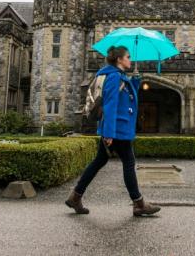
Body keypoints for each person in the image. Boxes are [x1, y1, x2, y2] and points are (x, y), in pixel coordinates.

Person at [65, 45, 161, 217]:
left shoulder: (118, 76)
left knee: (99, 161)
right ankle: (138, 203)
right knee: (129, 163)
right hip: (117, 128)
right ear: (119, 59)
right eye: (128, 57)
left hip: (117, 126)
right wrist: (108, 133)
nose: (130, 60)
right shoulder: (114, 77)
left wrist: (135, 81)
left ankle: (75, 196)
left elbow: (125, 98)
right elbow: (110, 105)